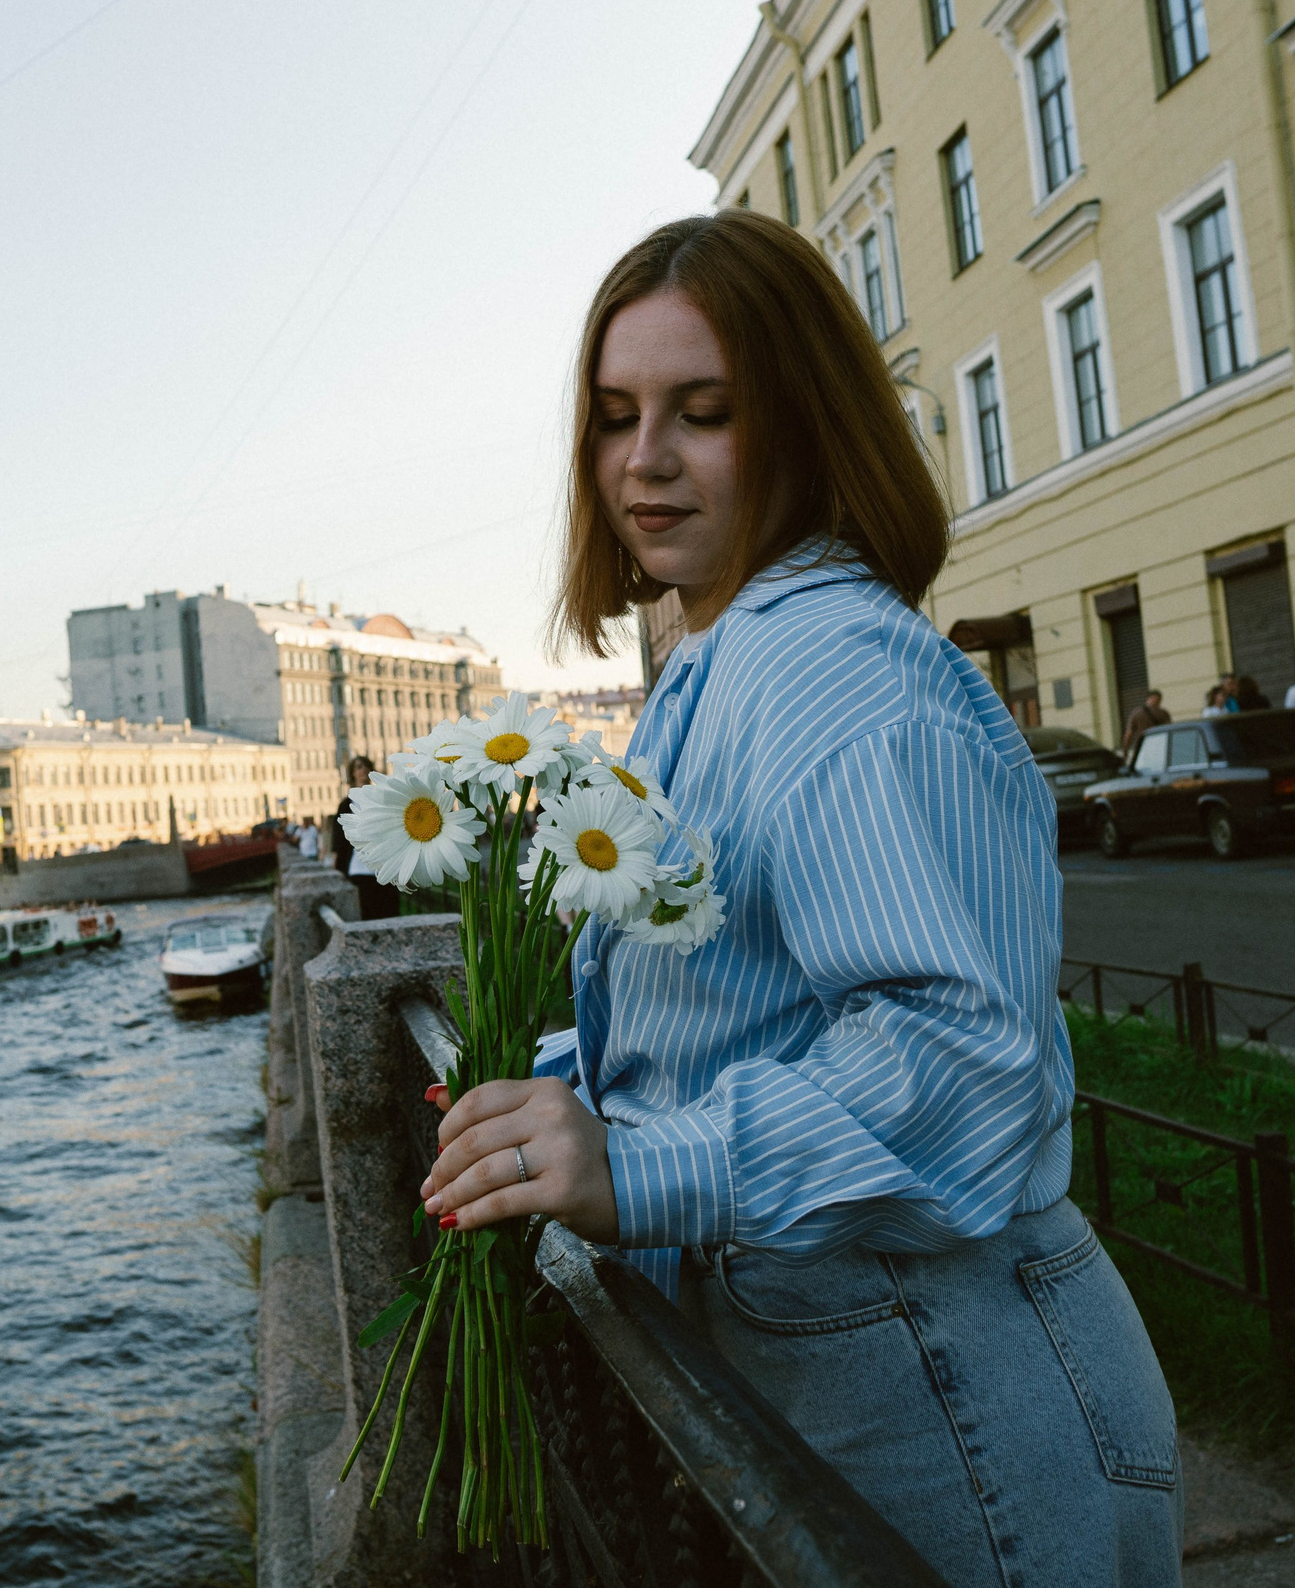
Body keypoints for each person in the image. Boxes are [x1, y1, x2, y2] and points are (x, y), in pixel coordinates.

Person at [415, 209, 1177, 1583]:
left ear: (806, 421)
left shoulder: (837, 676)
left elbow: (958, 1056)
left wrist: (635, 1165)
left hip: (941, 1399)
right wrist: (544, 1094)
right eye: (614, 415)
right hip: (872, 1373)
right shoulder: (721, 658)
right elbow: (734, 1001)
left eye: (703, 412)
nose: (644, 460)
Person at [335, 756, 400, 919]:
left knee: (388, 913)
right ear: (352, 773)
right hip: (358, 868)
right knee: (366, 914)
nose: (362, 769)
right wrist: (338, 867)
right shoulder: (346, 804)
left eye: (366, 766)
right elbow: (340, 839)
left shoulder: (382, 797)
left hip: (383, 866)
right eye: (358, 767)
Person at [1120, 687, 1169, 757]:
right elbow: (1169, 730)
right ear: (1159, 700)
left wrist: (1125, 751)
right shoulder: (1163, 713)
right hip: (1159, 747)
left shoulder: (1136, 713)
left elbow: (1128, 734)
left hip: (1143, 746)